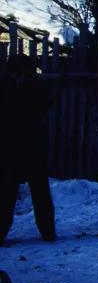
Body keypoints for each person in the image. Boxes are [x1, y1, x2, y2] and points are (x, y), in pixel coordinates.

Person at [0, 54, 56, 243]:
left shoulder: (17, 86)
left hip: (19, 145)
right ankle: (47, 231)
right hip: (26, 144)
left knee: (11, 191)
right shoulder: (23, 86)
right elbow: (47, 103)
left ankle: (47, 231)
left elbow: (47, 103)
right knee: (28, 190)